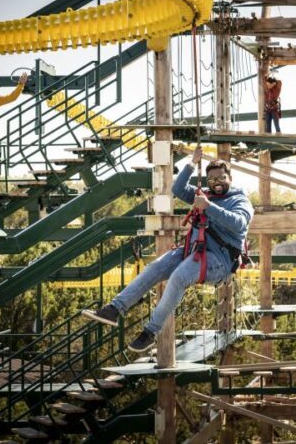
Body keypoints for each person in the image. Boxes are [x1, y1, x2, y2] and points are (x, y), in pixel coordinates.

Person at [83, 146, 254, 353]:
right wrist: (191, 164)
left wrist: (208, 206)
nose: (217, 184)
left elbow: (238, 223)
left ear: (230, 178)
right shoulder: (206, 195)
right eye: (212, 180)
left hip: (220, 262)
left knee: (179, 277)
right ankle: (114, 309)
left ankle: (150, 332)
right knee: (155, 268)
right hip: (195, 251)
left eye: (221, 179)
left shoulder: (239, 201)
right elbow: (178, 190)